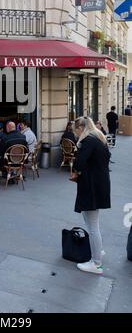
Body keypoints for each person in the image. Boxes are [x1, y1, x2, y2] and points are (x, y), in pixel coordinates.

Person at [71, 116, 111, 275]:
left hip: (91, 186)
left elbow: (78, 163)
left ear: (81, 128)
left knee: (93, 226)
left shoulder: (88, 141)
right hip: (99, 184)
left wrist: (77, 161)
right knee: (92, 223)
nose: (76, 134)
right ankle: (98, 250)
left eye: (76, 131)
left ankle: (97, 263)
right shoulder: (99, 138)